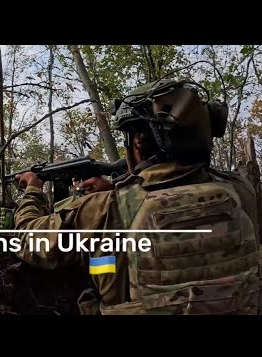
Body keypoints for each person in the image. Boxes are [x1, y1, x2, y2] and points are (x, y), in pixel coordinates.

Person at [13, 78, 261, 315]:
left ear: (139, 140)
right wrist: (116, 190)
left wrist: (32, 191)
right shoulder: (241, 191)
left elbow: (30, 242)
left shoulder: (103, 209)